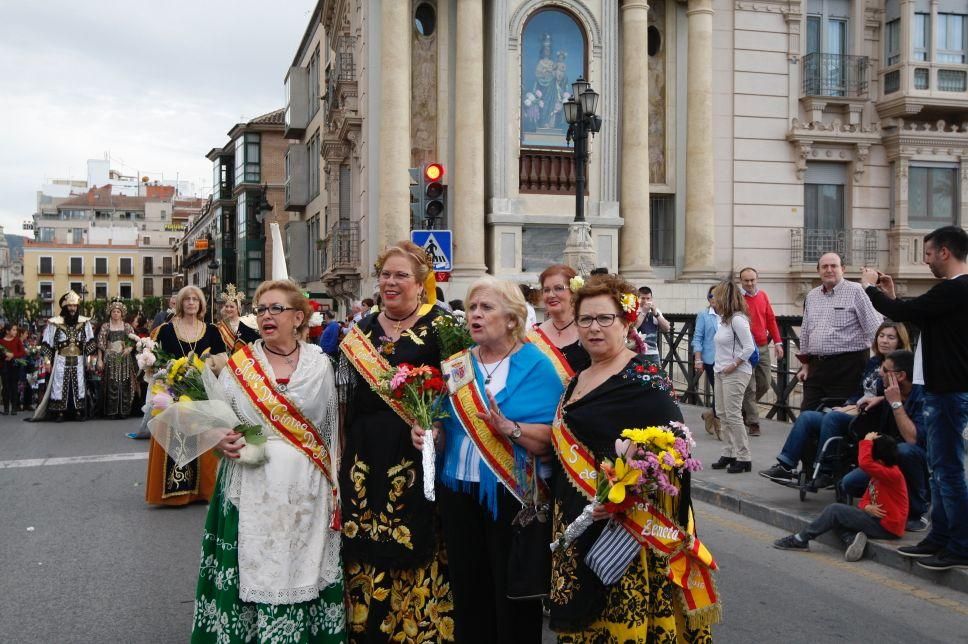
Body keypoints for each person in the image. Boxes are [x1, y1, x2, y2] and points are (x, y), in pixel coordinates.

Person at [548, 274, 716, 640]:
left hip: (624, 532)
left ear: (626, 322)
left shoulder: (643, 379)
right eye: (585, 319)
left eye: (604, 318)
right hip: (577, 518)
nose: (594, 328)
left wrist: (631, 492)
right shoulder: (578, 378)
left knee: (618, 623)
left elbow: (675, 451)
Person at [191, 280, 345, 642]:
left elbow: (329, 430)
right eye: (261, 309)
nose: (266, 316)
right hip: (251, 483)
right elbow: (219, 421)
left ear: (298, 317)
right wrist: (221, 439)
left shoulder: (319, 365)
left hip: (306, 489)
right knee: (256, 566)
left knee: (301, 567)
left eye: (276, 309)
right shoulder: (240, 365)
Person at [416, 276, 563, 643]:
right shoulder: (458, 364)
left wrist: (510, 429)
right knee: (468, 591)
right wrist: (430, 433)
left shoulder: (536, 366)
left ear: (512, 319)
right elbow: (443, 420)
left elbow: (553, 440)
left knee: (511, 595)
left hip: (510, 496)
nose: (475, 315)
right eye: (471, 308)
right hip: (458, 492)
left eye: (486, 308)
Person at [337, 241, 455, 642]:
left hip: (415, 450)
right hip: (364, 450)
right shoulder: (363, 329)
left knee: (414, 531)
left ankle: (415, 629)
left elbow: (461, 395)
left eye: (400, 275)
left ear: (421, 283)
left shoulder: (443, 326)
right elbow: (345, 394)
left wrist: (438, 429)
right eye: (385, 274)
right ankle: (364, 629)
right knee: (364, 531)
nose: (390, 282)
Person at [860, 225, 968, 570]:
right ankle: (940, 537)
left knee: (948, 471)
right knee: (939, 469)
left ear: (945, 252)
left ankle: (960, 544)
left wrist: (867, 289)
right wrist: (891, 296)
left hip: (949, 394)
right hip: (941, 391)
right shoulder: (951, 293)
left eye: (928, 254)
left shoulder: (959, 288)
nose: (926, 261)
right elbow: (919, 313)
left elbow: (910, 313)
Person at [760, 321, 909, 488]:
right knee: (807, 417)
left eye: (890, 337)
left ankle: (826, 471)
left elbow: (903, 395)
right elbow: (859, 391)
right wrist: (848, 404)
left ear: (900, 342)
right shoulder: (873, 362)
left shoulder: (899, 366)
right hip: (856, 410)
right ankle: (786, 465)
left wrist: (878, 400)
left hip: (872, 418)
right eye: (881, 336)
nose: (884, 341)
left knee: (832, 418)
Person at [144, 286, 226, 506]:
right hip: (173, 394)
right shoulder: (166, 330)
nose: (191, 303)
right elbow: (155, 360)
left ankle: (204, 491)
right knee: (175, 439)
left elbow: (223, 358)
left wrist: (206, 364)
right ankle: (178, 494)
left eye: (195, 299)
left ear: (201, 304)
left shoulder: (211, 330)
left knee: (205, 440)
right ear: (180, 303)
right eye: (187, 299)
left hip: (202, 391)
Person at [774, 433, 907, 562]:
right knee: (835, 518)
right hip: (877, 520)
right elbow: (865, 498)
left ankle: (800, 539)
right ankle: (850, 539)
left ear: (879, 461)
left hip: (887, 527)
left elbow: (865, 463)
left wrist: (866, 441)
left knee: (834, 510)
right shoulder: (880, 474)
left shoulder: (893, 474)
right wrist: (866, 506)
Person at [839, 350, 930, 532]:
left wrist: (896, 404)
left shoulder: (922, 397)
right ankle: (886, 503)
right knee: (849, 483)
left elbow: (913, 439)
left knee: (905, 451)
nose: (880, 373)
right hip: (890, 456)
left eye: (885, 369)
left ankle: (917, 510)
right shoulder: (889, 392)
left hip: (919, 458)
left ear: (901, 376)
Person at [797, 252, 883, 412]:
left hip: (848, 367)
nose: (829, 270)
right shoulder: (812, 295)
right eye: (824, 267)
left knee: (839, 418)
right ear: (818, 271)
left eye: (833, 266)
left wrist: (882, 363)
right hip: (816, 367)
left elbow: (875, 329)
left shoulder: (856, 291)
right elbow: (806, 332)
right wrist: (805, 364)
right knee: (806, 415)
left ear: (842, 269)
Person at [709, 281, 756, 473]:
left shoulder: (738, 319)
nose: (713, 300)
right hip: (720, 370)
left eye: (715, 296)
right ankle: (728, 452)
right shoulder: (724, 320)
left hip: (735, 371)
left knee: (733, 414)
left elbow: (749, 347)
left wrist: (734, 364)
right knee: (722, 413)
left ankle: (744, 457)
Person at [32, 291, 97, 422]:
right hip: (61, 358)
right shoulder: (55, 323)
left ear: (77, 307)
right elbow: (47, 343)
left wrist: (90, 361)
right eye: (70, 306)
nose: (72, 309)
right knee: (59, 384)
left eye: (74, 306)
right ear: (65, 307)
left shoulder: (85, 323)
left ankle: (78, 411)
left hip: (78, 359)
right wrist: (47, 361)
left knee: (78, 384)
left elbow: (90, 343)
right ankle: (59, 412)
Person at [739, 267, 784, 436]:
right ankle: (753, 422)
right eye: (746, 280)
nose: (750, 283)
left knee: (765, 382)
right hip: (745, 348)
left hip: (763, 346)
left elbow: (771, 319)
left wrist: (778, 342)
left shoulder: (763, 295)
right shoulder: (738, 299)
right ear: (741, 281)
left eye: (752, 280)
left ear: (757, 279)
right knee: (749, 387)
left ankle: (743, 408)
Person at [529, 263, 590, 384]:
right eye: (546, 290)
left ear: (574, 291)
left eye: (558, 288)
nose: (551, 295)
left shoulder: (589, 330)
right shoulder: (533, 336)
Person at [97, 298, 138, 419]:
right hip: (111, 358)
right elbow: (101, 344)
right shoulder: (105, 326)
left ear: (122, 313)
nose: (115, 313)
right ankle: (112, 411)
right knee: (112, 383)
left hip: (124, 358)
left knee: (125, 382)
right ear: (110, 312)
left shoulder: (127, 326)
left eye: (118, 311)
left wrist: (129, 349)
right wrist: (100, 359)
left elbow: (134, 341)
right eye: (113, 311)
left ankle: (124, 411)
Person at [693, 285, 721, 438]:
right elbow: (698, 338)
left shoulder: (729, 315)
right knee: (718, 390)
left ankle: (710, 414)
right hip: (711, 359)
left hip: (728, 360)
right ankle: (718, 425)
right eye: (710, 295)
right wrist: (698, 359)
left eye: (716, 295)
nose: (712, 298)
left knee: (723, 393)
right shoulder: (703, 315)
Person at [214, 284, 259, 353]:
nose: (228, 309)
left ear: (238, 308)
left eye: (232, 307)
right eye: (226, 306)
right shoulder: (220, 326)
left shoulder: (247, 322)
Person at [635, 286, 670, 358]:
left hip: (652, 352)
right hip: (635, 352)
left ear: (651, 299)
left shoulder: (655, 311)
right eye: (643, 298)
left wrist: (656, 315)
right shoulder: (633, 310)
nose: (645, 301)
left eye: (648, 298)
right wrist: (644, 312)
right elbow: (634, 327)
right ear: (637, 298)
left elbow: (667, 328)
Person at [0, 324, 26, 415]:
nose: (15, 332)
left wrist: (13, 355)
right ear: (7, 331)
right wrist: (4, 356)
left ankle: (14, 408)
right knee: (5, 387)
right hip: (4, 367)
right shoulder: (1, 341)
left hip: (14, 366)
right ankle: (6, 408)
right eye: (13, 330)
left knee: (14, 386)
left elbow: (22, 352)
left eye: (16, 330)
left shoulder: (17, 340)